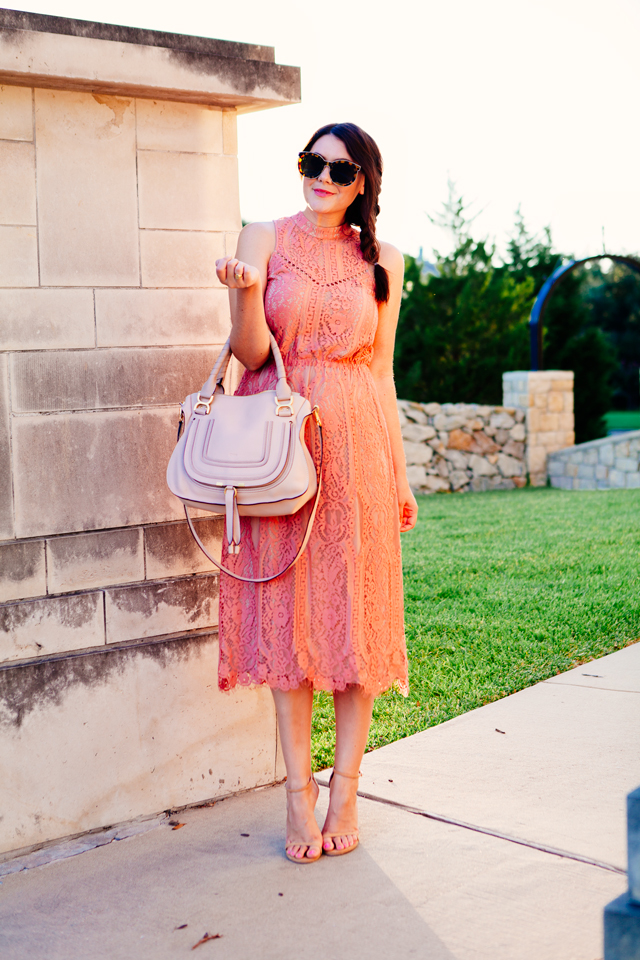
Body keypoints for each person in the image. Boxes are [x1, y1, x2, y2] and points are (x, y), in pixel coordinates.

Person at [214, 122, 418, 864]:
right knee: (293, 620)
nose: (323, 178)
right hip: (282, 448)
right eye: (312, 163)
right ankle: (298, 798)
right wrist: (242, 296)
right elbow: (250, 354)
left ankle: (347, 789)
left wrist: (397, 474)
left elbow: (383, 369)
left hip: (360, 447)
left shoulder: (385, 260)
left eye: (339, 169)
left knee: (354, 620)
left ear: (363, 182)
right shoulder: (259, 237)